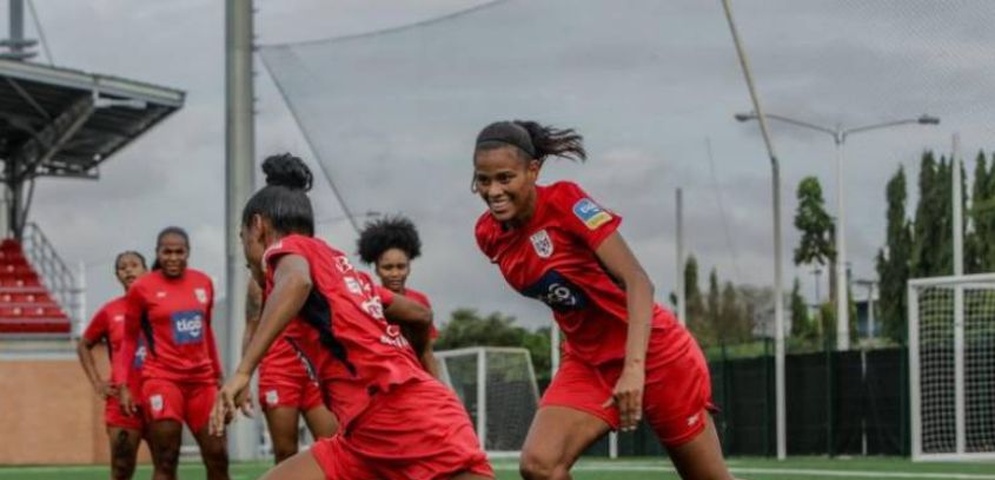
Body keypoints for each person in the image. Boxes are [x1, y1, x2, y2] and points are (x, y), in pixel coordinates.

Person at [472, 120, 733, 480]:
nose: (493, 191)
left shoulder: (565, 202)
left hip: (655, 356)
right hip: (587, 361)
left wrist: (634, 368)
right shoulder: (488, 234)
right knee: (540, 466)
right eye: (483, 180)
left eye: (505, 178)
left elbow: (638, 282)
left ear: (533, 170)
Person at [210, 153, 493, 480]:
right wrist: (413, 363)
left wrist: (244, 372)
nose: (245, 249)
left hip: (406, 419)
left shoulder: (285, 252)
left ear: (257, 227)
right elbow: (418, 314)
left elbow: (297, 281)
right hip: (364, 437)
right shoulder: (339, 267)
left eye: (242, 237)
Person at [115, 227, 229, 480]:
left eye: (180, 252)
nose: (173, 258)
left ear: (188, 253)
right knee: (166, 458)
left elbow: (206, 331)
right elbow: (130, 338)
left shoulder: (203, 283)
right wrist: (123, 384)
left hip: (202, 382)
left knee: (218, 454)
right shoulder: (142, 288)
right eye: (167, 252)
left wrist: (218, 374)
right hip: (162, 380)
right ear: (158, 253)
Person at [244, 275, 338, 464]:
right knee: (285, 452)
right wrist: (244, 379)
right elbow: (250, 329)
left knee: (333, 445)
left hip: (314, 369)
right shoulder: (259, 281)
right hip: (279, 371)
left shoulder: (313, 268)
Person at [77, 251, 151, 480]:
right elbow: (84, 345)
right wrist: (98, 383)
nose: (128, 270)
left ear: (146, 269)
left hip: (160, 396)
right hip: (123, 401)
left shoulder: (161, 306)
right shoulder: (111, 311)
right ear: (117, 275)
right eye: (122, 267)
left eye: (134, 265)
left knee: (165, 463)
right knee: (121, 468)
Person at [357, 215, 439, 377]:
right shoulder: (368, 302)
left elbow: (427, 351)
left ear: (409, 266)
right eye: (388, 268)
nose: (395, 273)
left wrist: (443, 389)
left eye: (401, 267)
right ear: (376, 269)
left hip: (417, 377)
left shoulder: (419, 301)